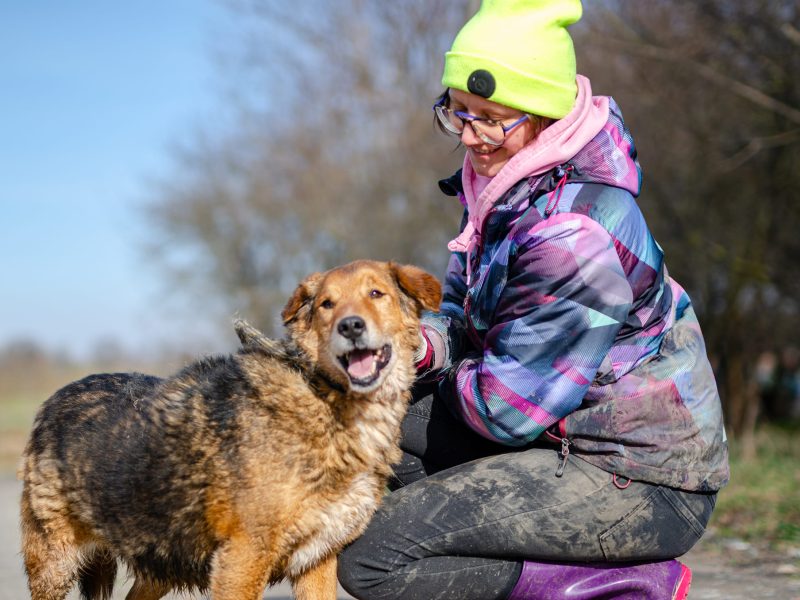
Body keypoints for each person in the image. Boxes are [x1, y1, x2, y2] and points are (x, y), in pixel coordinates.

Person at [337, 1, 729, 598]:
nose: (470, 136)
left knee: (373, 560)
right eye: (458, 112)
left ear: (544, 115)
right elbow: (461, 317)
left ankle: (628, 583)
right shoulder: (500, 192)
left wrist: (436, 374)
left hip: (639, 478)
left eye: (492, 118)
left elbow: (507, 409)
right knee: (368, 445)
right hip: (559, 435)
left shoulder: (573, 233)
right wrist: (415, 348)